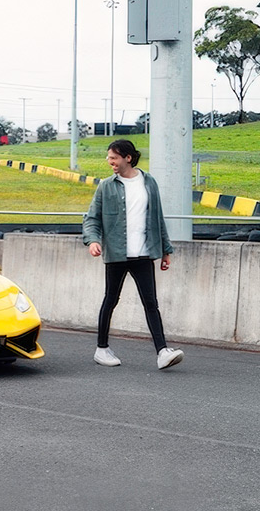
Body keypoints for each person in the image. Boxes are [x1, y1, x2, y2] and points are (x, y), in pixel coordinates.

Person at [82, 139, 184, 370]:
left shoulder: (149, 182)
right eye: (109, 157)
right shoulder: (106, 186)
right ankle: (102, 349)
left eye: (114, 157)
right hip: (117, 253)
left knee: (151, 302)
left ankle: (162, 352)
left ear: (128, 158)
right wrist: (93, 240)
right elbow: (92, 218)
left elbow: (157, 218)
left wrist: (166, 250)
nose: (109, 161)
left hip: (144, 254)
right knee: (111, 300)